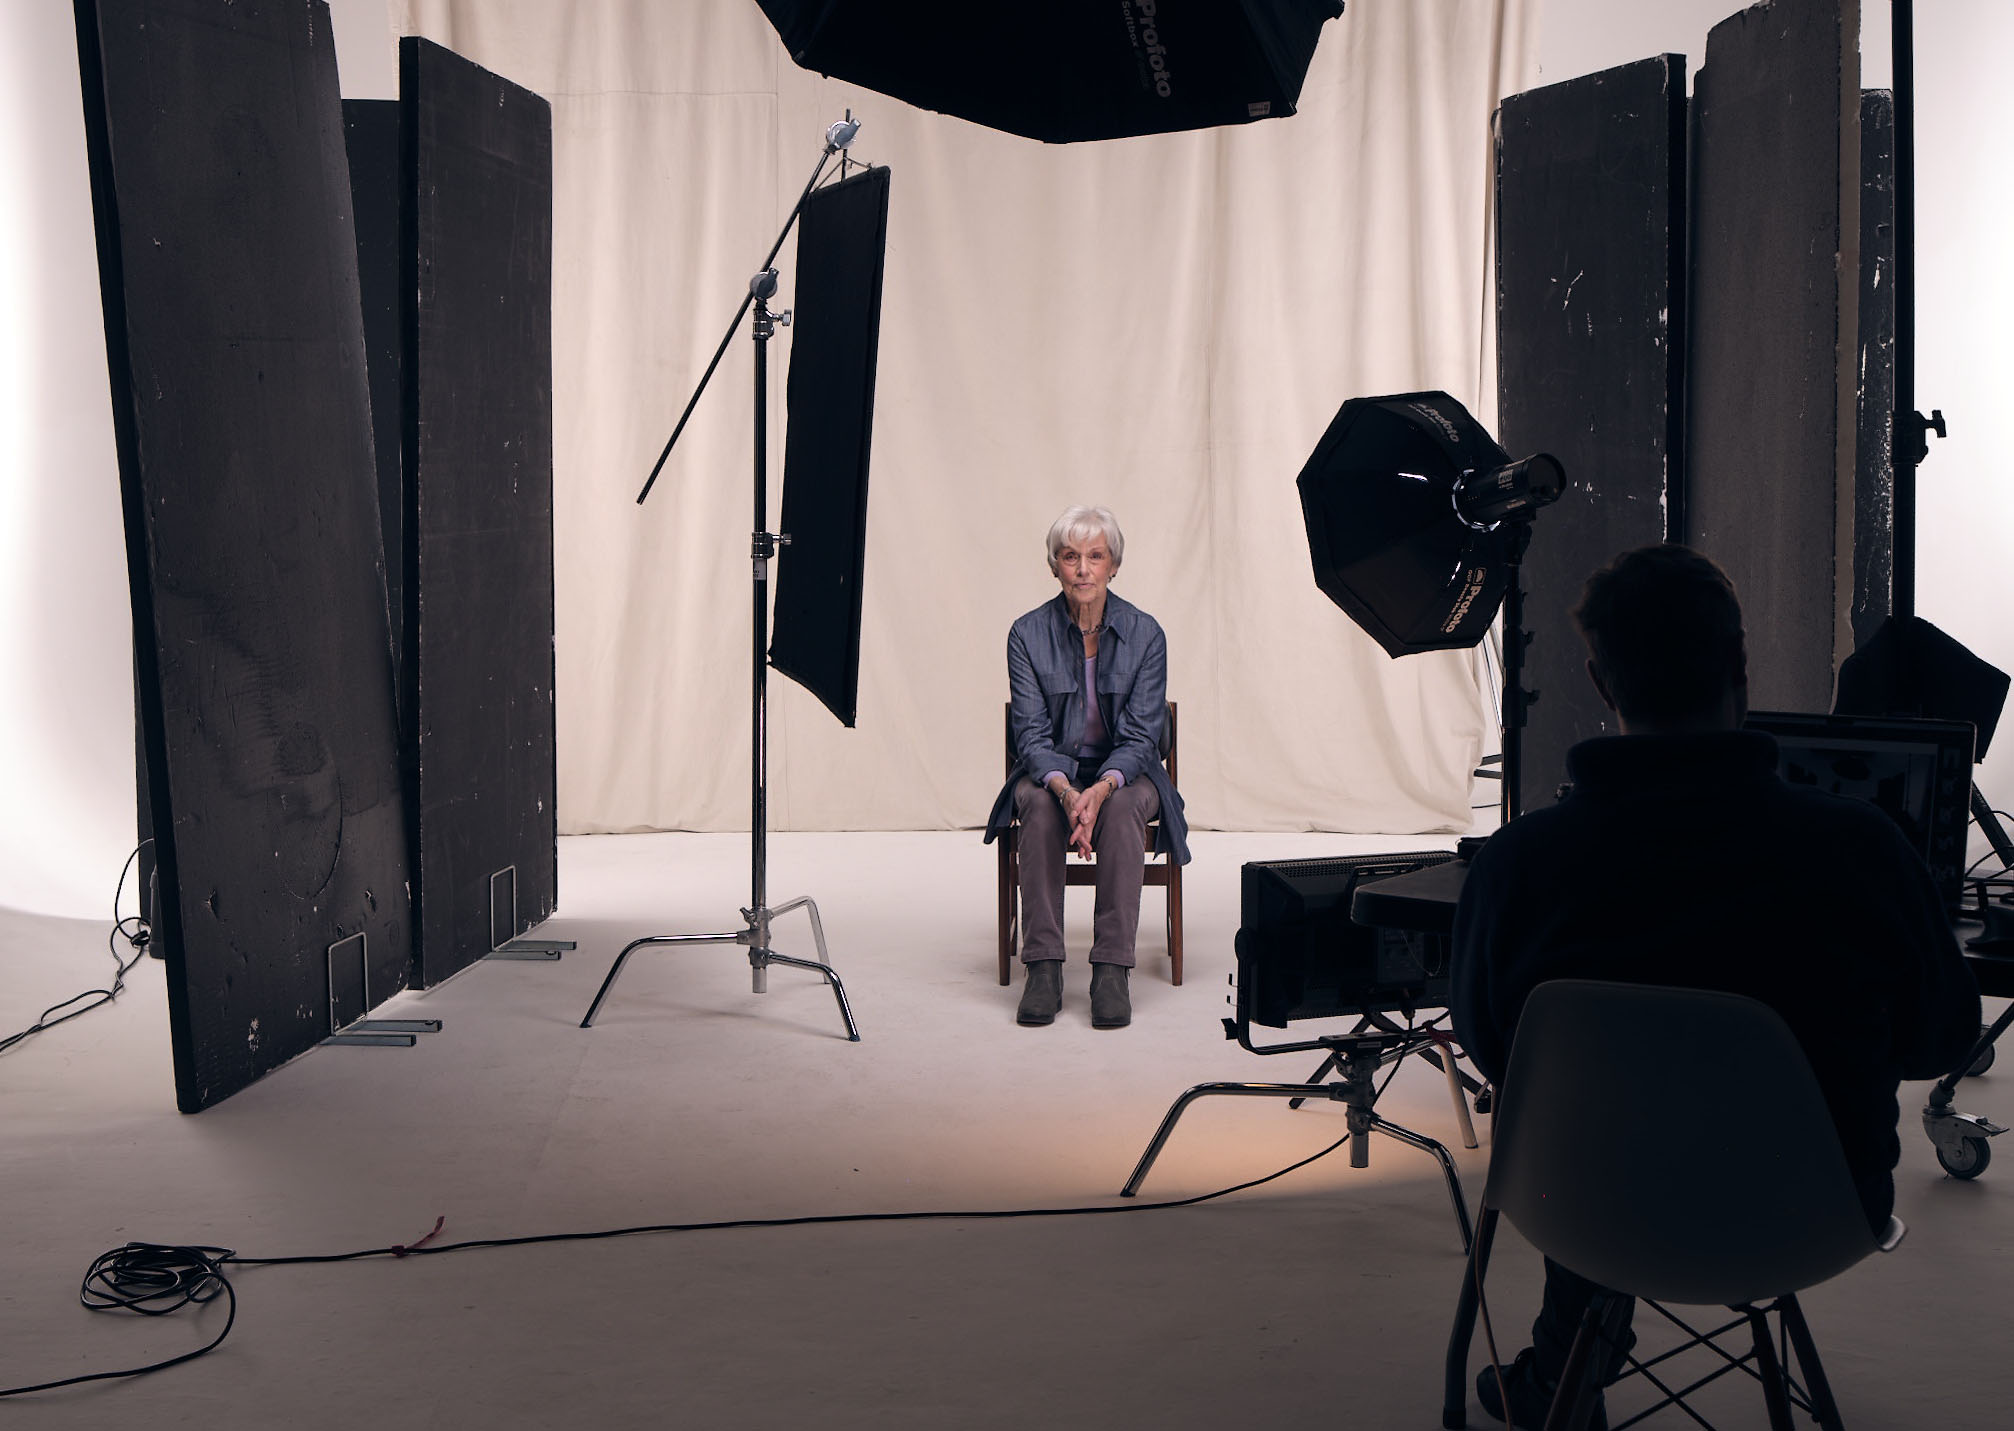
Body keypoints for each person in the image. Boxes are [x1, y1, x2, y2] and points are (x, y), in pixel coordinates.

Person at [1451, 543, 1980, 1429]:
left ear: (1600, 679)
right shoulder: (1857, 848)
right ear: (1740, 664)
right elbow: (1941, 1038)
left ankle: (1562, 1367)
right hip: (1806, 1211)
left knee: (1611, 1125)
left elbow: (1492, 1045)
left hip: (1586, 1206)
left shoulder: (1518, 865)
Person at [984, 505, 1189, 1029]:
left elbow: (1144, 736)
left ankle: (1112, 968)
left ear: (1113, 565)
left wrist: (1098, 789)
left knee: (1121, 812)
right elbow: (1029, 733)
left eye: (1094, 557)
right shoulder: (1026, 634)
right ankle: (1045, 966)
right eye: (1070, 556)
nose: (1082, 569)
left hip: (1126, 773)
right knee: (1036, 804)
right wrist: (1064, 789)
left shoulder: (1147, 635)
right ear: (1054, 565)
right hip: (1052, 771)